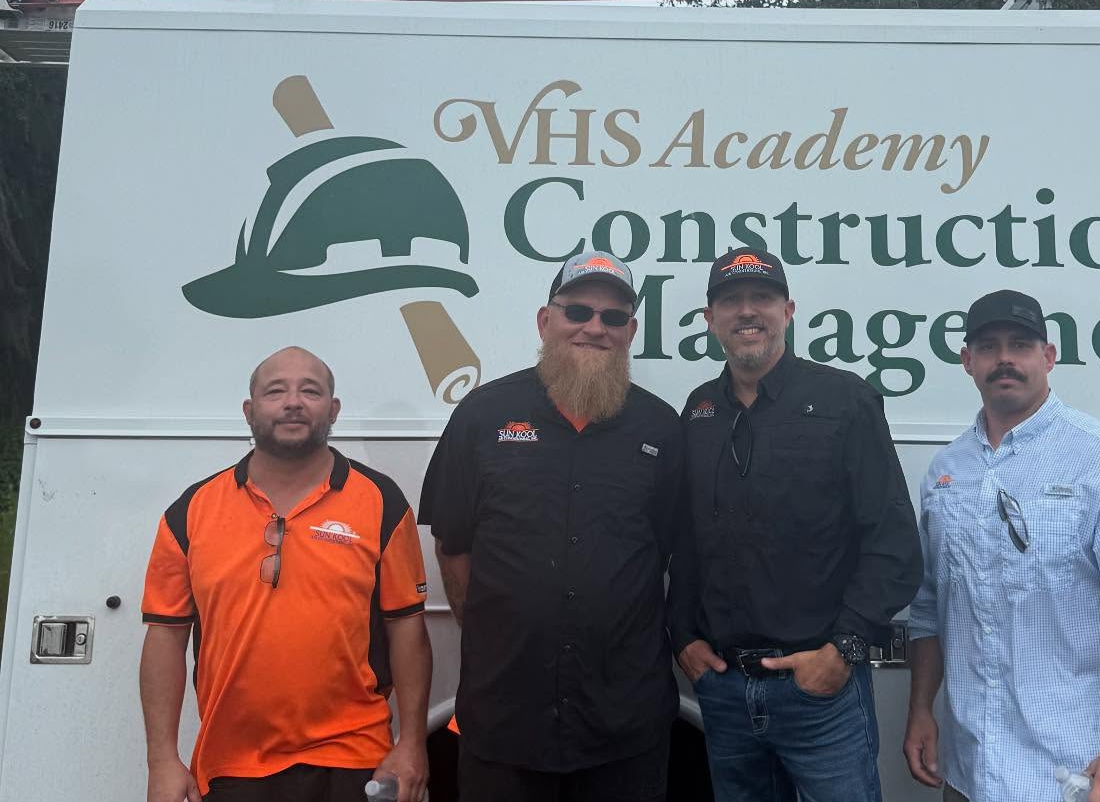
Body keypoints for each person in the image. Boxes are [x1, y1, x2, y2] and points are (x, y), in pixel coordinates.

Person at [903, 289, 1100, 802]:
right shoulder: (947, 472)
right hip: (970, 773)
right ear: (967, 361)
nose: (1005, 359)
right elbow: (930, 607)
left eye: (1021, 344)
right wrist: (921, 708)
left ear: (1049, 357)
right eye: (988, 347)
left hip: (1077, 777)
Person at [418, 250, 683, 802]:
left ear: (631, 331)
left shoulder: (662, 427)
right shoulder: (482, 415)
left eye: (613, 318)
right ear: (546, 321)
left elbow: (673, 553)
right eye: (578, 311)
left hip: (625, 722)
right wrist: (502, 630)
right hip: (505, 716)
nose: (594, 327)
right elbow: (453, 546)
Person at [667, 247, 923, 802]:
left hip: (821, 694)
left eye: (761, 297)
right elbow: (686, 540)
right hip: (726, 694)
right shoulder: (699, 411)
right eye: (730, 301)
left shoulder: (844, 400)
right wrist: (682, 635)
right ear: (710, 320)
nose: (747, 311)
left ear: (788, 310)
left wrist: (844, 651)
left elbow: (893, 542)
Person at [140, 346, 431, 802]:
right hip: (231, 763)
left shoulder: (381, 501)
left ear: (333, 410)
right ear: (249, 410)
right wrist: (161, 761)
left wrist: (412, 744)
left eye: (310, 391)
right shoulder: (191, 511)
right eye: (276, 391)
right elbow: (165, 638)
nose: (293, 402)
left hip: (353, 759)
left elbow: (408, 629)